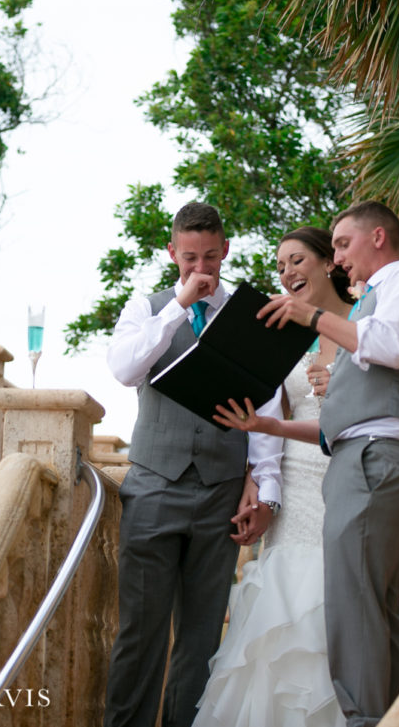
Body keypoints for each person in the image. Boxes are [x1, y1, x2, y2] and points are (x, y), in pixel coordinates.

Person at [214, 202, 399, 727]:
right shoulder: (371, 302)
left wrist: (314, 317)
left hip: (372, 457)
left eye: (342, 244)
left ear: (378, 237)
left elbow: (385, 346)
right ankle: (389, 715)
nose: (339, 258)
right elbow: (334, 418)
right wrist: (269, 428)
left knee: (352, 603)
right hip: (351, 454)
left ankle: (363, 719)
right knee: (371, 603)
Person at [103, 201, 284, 727]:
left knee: (202, 636)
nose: (200, 268)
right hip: (155, 485)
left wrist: (264, 488)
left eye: (209, 257)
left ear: (225, 250)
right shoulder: (147, 307)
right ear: (171, 253)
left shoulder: (251, 316)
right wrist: (179, 306)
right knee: (141, 631)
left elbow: (266, 405)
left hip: (221, 492)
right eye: (189, 258)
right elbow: (124, 368)